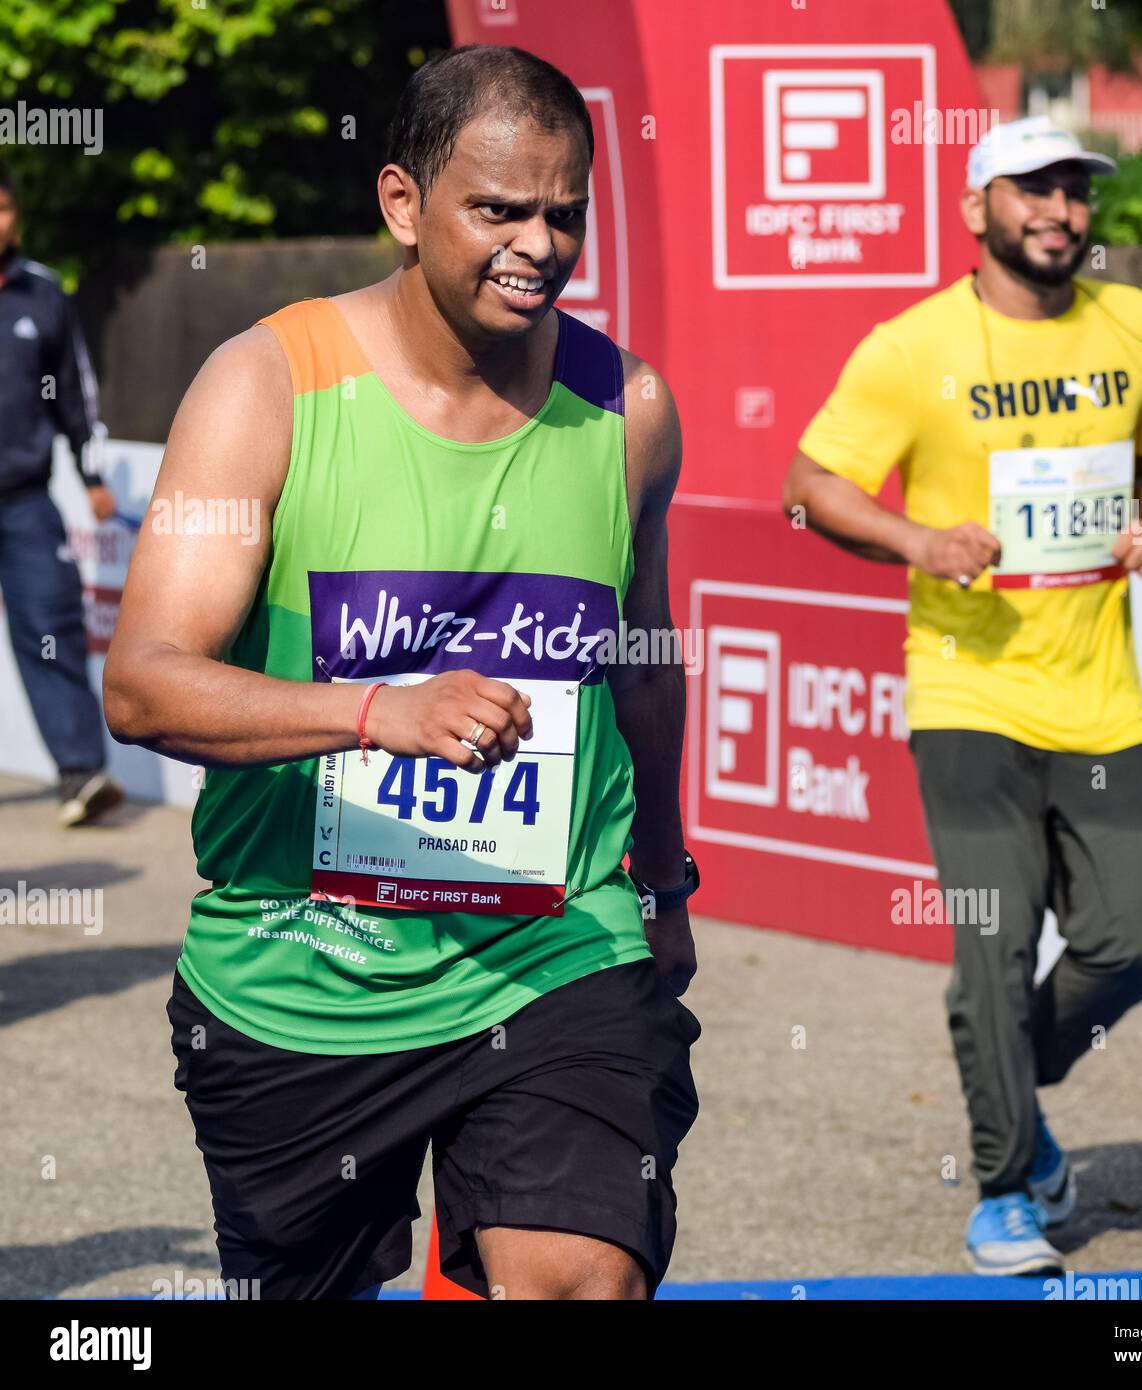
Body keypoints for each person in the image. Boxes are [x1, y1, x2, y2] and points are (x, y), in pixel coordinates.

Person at [104, 45, 702, 1301]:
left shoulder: (629, 408)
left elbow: (644, 662)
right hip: (297, 970)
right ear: (401, 203)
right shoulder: (265, 386)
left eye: (565, 213)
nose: (537, 244)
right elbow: (146, 683)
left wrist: (662, 881)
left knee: (583, 1275)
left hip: (554, 947)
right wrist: (378, 713)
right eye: (498, 209)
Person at [784, 116, 1142, 1275]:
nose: (1062, 210)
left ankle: (1016, 1079)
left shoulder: (1136, 323)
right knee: (993, 948)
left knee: (1137, 937)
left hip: (1102, 695)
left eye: (1077, 191)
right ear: (976, 211)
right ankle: (1007, 1185)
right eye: (1035, 189)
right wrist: (918, 538)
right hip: (966, 691)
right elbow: (808, 487)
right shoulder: (911, 350)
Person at [0, 159, 123, 826]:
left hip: (23, 501)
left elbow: (76, 396)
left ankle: (82, 774)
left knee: (51, 627)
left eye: (3, 209)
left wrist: (93, 475)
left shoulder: (42, 294)